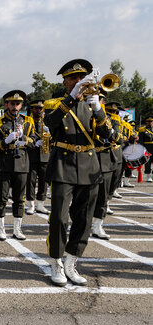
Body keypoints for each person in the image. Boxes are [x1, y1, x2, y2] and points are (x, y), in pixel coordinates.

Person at [44, 58, 113, 286]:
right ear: (65, 82)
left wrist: (98, 109)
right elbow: (51, 123)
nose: (78, 81)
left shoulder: (94, 103)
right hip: (64, 164)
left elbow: (108, 135)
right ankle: (56, 262)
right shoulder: (55, 103)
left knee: (83, 219)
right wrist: (72, 96)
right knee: (59, 218)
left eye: (81, 77)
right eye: (73, 78)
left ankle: (72, 262)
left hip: (89, 164)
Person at [0, 90, 34, 240]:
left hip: (22, 163)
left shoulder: (28, 121)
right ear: (6, 104)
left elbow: (34, 142)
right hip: (4, 163)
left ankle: (17, 229)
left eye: (18, 104)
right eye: (12, 104)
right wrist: (6, 141)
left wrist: (23, 137)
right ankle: (0, 228)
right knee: (1, 197)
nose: (15, 107)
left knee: (19, 198)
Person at [91, 101, 122, 239]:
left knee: (103, 195)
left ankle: (98, 225)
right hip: (86, 158)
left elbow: (118, 138)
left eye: (100, 100)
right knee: (82, 194)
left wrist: (110, 131)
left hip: (105, 158)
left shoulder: (112, 119)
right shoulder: (82, 114)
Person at [25, 99, 51, 215]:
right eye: (36, 108)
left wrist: (50, 134)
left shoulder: (46, 122)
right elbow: (24, 136)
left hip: (45, 155)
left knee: (43, 181)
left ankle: (40, 204)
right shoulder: (27, 122)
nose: (39, 111)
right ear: (31, 109)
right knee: (30, 180)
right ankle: (30, 204)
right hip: (32, 155)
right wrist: (35, 142)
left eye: (41, 108)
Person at [139, 114, 153, 182]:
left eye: (151, 121)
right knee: (148, 163)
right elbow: (141, 141)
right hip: (147, 148)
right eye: (149, 121)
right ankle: (148, 176)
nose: (150, 123)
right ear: (146, 122)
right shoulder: (142, 130)